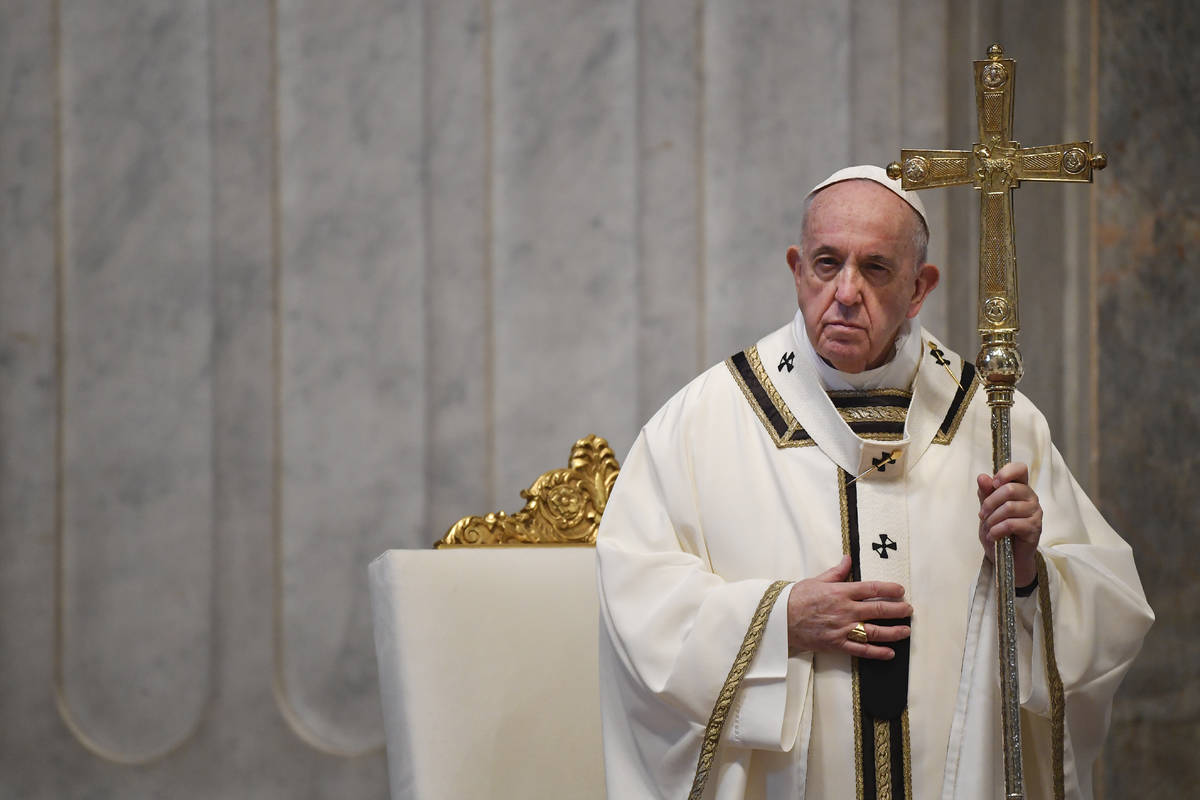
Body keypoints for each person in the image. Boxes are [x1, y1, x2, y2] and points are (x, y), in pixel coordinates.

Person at [595, 165, 1153, 799]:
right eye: (826, 264)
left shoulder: (995, 422)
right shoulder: (703, 421)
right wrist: (778, 619)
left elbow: (1111, 611)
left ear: (919, 289)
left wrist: (1028, 575)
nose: (846, 291)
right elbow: (635, 600)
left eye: (876, 269)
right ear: (796, 269)